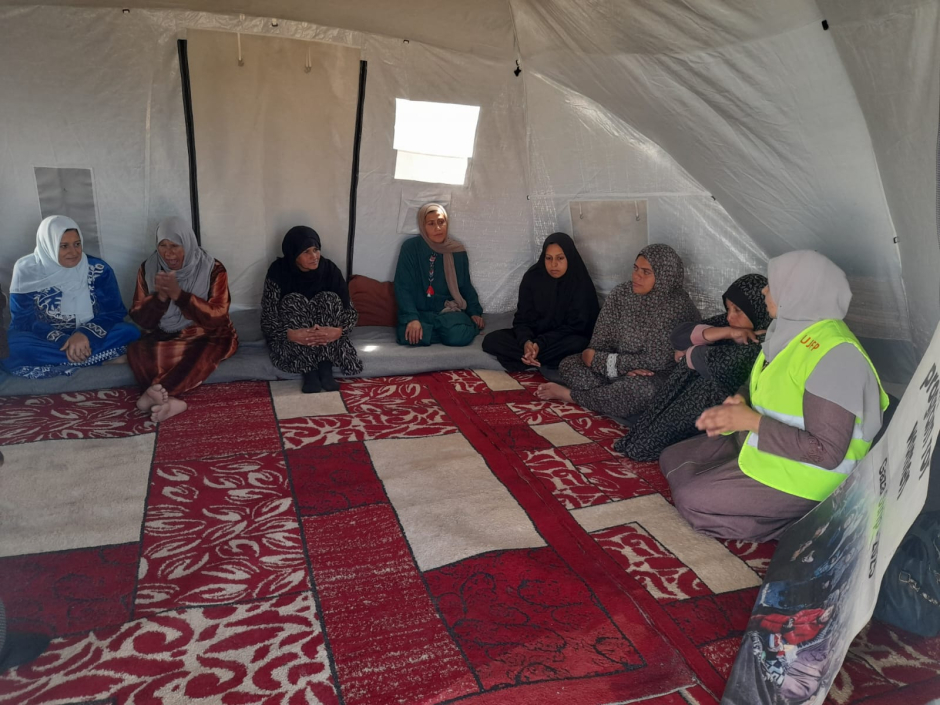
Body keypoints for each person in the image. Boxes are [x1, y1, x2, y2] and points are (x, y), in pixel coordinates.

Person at [659, 250, 889, 542]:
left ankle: (804, 522)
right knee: (671, 457)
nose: (765, 291)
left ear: (797, 292)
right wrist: (740, 401)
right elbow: (759, 381)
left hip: (807, 476)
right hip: (769, 445)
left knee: (691, 499)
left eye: (773, 284)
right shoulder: (789, 330)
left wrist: (750, 421)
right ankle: (743, 495)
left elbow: (826, 453)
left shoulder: (835, 356)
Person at [615, 273, 771, 460]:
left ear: (758, 308)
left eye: (737, 310)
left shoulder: (765, 341)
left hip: (715, 405)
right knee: (639, 427)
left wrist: (689, 351)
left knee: (642, 447)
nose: (730, 316)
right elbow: (678, 336)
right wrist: (728, 332)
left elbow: (715, 363)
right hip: (686, 387)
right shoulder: (732, 323)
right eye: (728, 308)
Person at [537, 244, 700, 418]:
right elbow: (598, 343)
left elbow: (658, 361)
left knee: (642, 390)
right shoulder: (621, 294)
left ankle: (571, 395)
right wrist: (614, 368)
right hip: (613, 369)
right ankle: (612, 398)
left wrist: (607, 363)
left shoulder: (678, 308)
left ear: (664, 276)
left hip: (654, 376)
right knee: (569, 365)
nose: (636, 276)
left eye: (646, 272)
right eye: (635, 268)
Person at [127, 217, 238, 422]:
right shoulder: (149, 268)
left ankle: (159, 392)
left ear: (187, 244)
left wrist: (180, 296)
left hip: (206, 332)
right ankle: (169, 402)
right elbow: (140, 317)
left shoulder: (213, 269)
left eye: (175, 246)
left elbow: (218, 315)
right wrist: (159, 298)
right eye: (163, 246)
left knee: (202, 353)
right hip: (164, 333)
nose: (168, 253)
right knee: (138, 350)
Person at [2, 216, 139, 379]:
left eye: (77, 244)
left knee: (130, 332)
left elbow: (114, 312)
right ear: (48, 245)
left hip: (90, 337)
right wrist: (63, 340)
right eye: (64, 246)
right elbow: (23, 320)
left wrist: (84, 334)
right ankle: (97, 360)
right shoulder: (27, 269)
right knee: (11, 345)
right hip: (46, 338)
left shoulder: (98, 269)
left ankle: (65, 362)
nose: (74, 252)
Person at [261, 226, 363, 393]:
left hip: (326, 338)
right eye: (306, 252)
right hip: (294, 337)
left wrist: (339, 331)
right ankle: (309, 371)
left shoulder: (329, 270)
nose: (314, 256)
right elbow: (268, 316)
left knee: (329, 299)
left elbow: (350, 312)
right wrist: (290, 334)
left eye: (316, 250)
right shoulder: (278, 271)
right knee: (293, 301)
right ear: (294, 254)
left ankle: (325, 367)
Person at [482, 232, 599, 372]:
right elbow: (522, 319)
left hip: (562, 338)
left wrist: (541, 343)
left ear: (569, 257)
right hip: (535, 336)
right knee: (491, 340)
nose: (554, 264)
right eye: (548, 258)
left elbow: (577, 327)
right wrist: (526, 342)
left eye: (560, 258)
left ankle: (527, 358)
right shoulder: (533, 277)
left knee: (579, 344)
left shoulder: (580, 283)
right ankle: (535, 357)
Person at [394, 203, 484, 347]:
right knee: (408, 334)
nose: (438, 228)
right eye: (431, 223)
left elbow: (465, 284)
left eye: (441, 222)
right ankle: (447, 330)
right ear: (423, 226)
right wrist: (412, 318)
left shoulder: (457, 251)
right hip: (420, 313)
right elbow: (403, 287)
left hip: (448, 312)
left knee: (458, 336)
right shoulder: (411, 248)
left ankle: (434, 332)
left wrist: (474, 312)